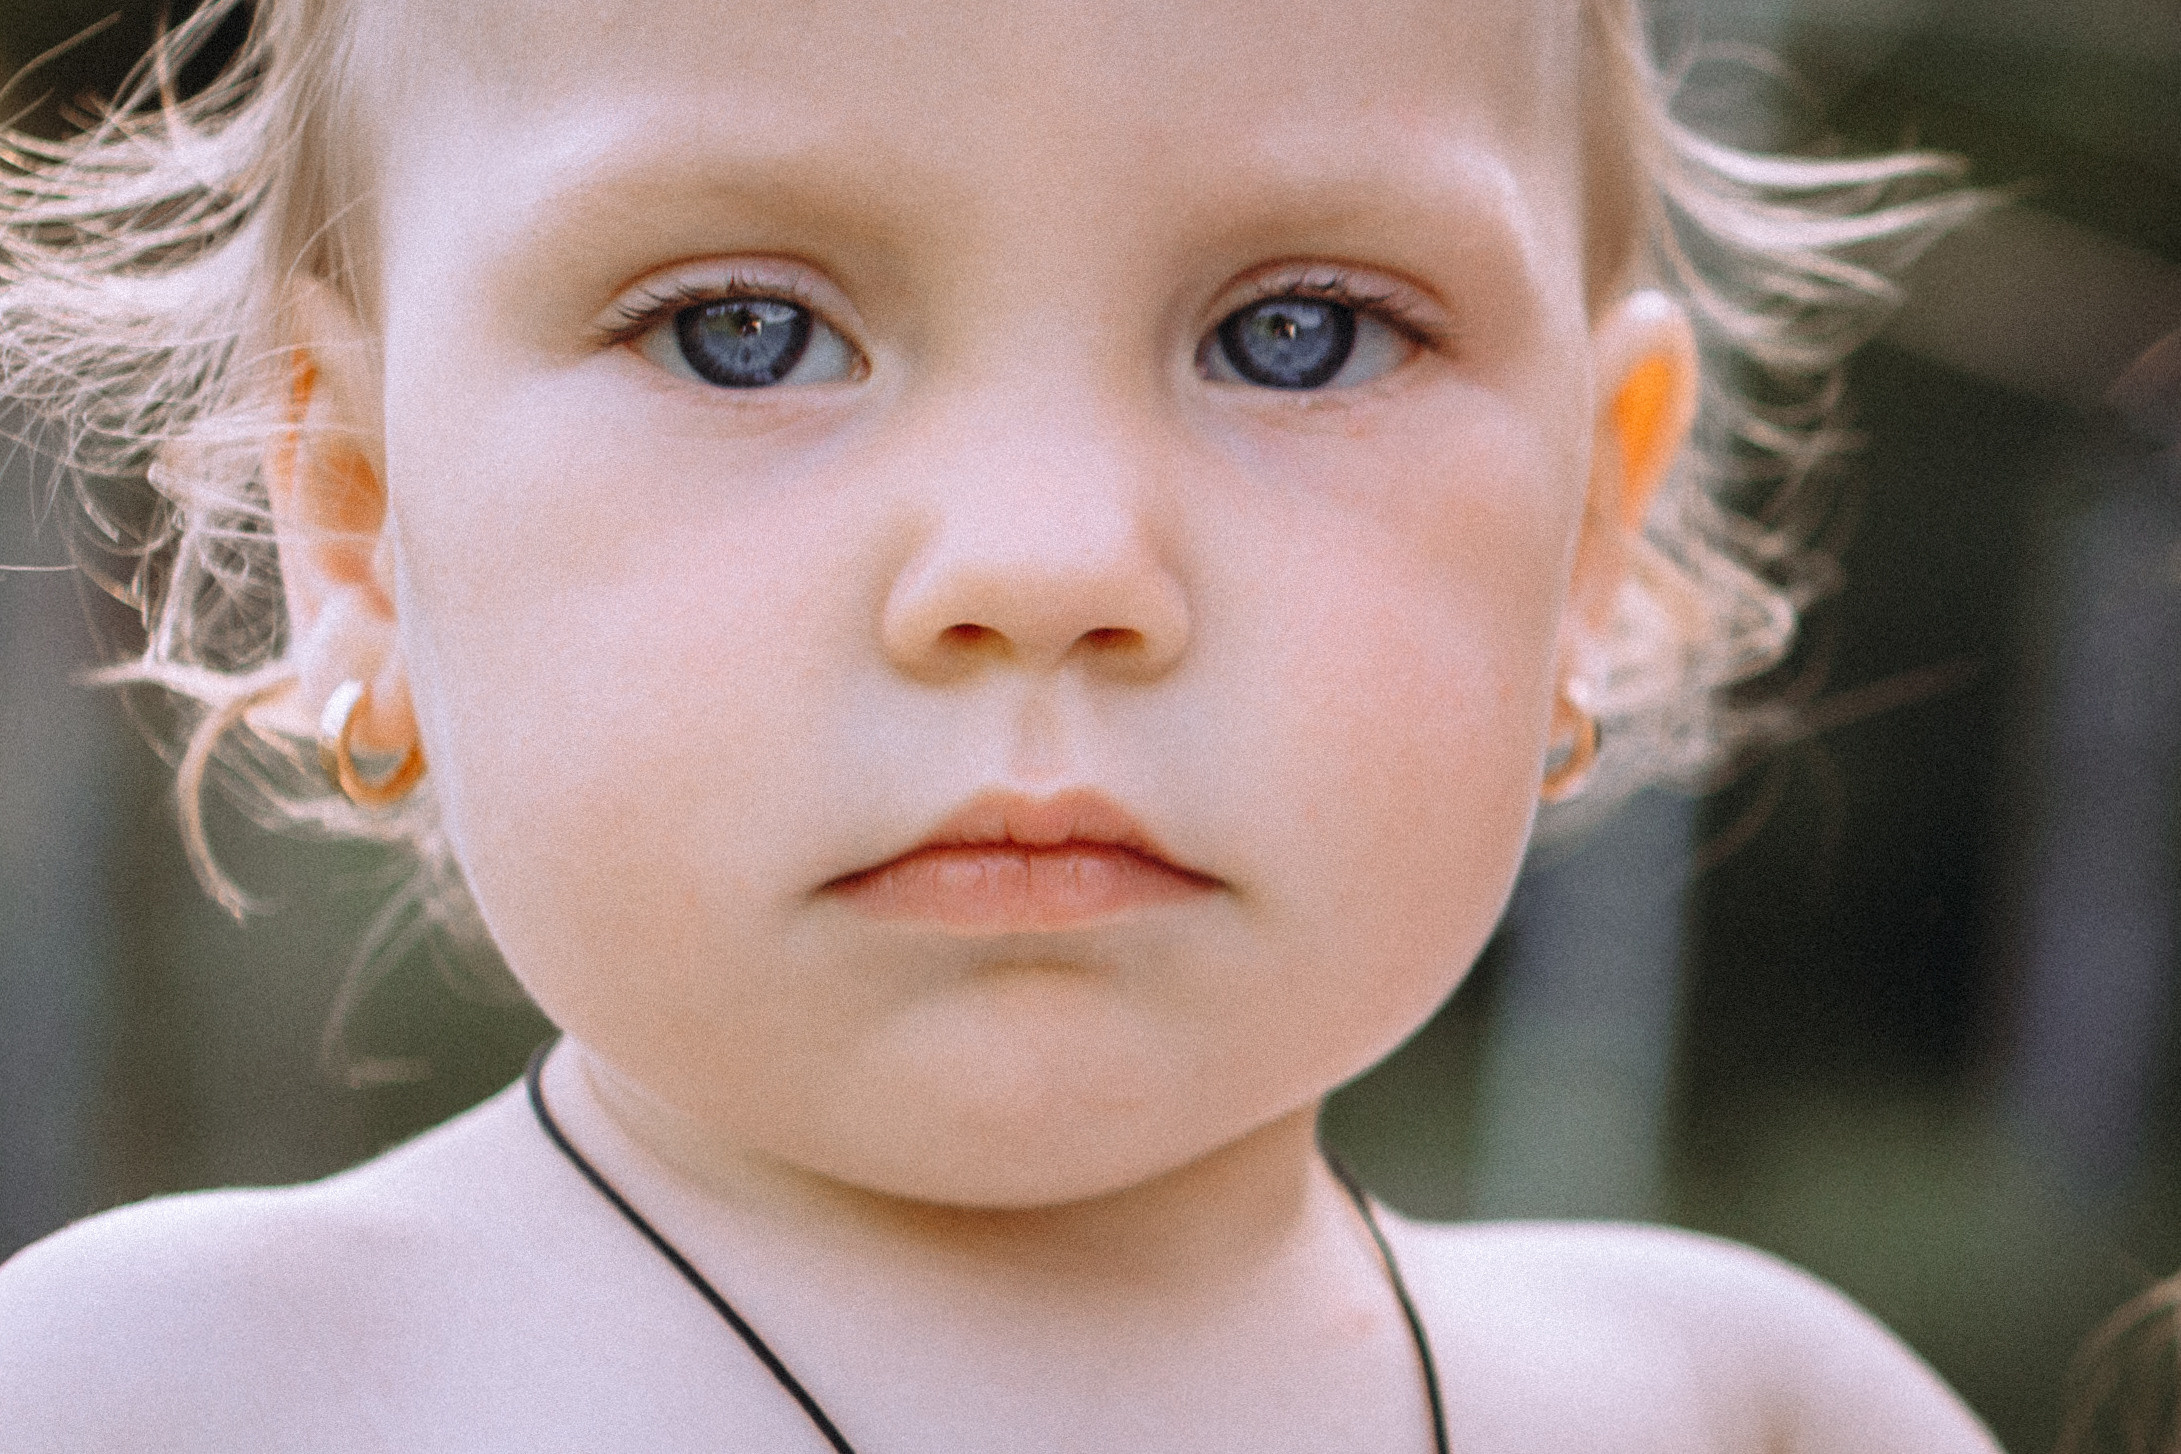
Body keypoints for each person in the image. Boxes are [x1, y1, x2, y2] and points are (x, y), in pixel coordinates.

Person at [0, 0, 2000, 1448]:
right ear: (357, 515)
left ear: (1582, 525)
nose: (1045, 562)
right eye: (740, 329)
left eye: (1292, 334)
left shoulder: (1744, 1410)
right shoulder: (167, 1393)